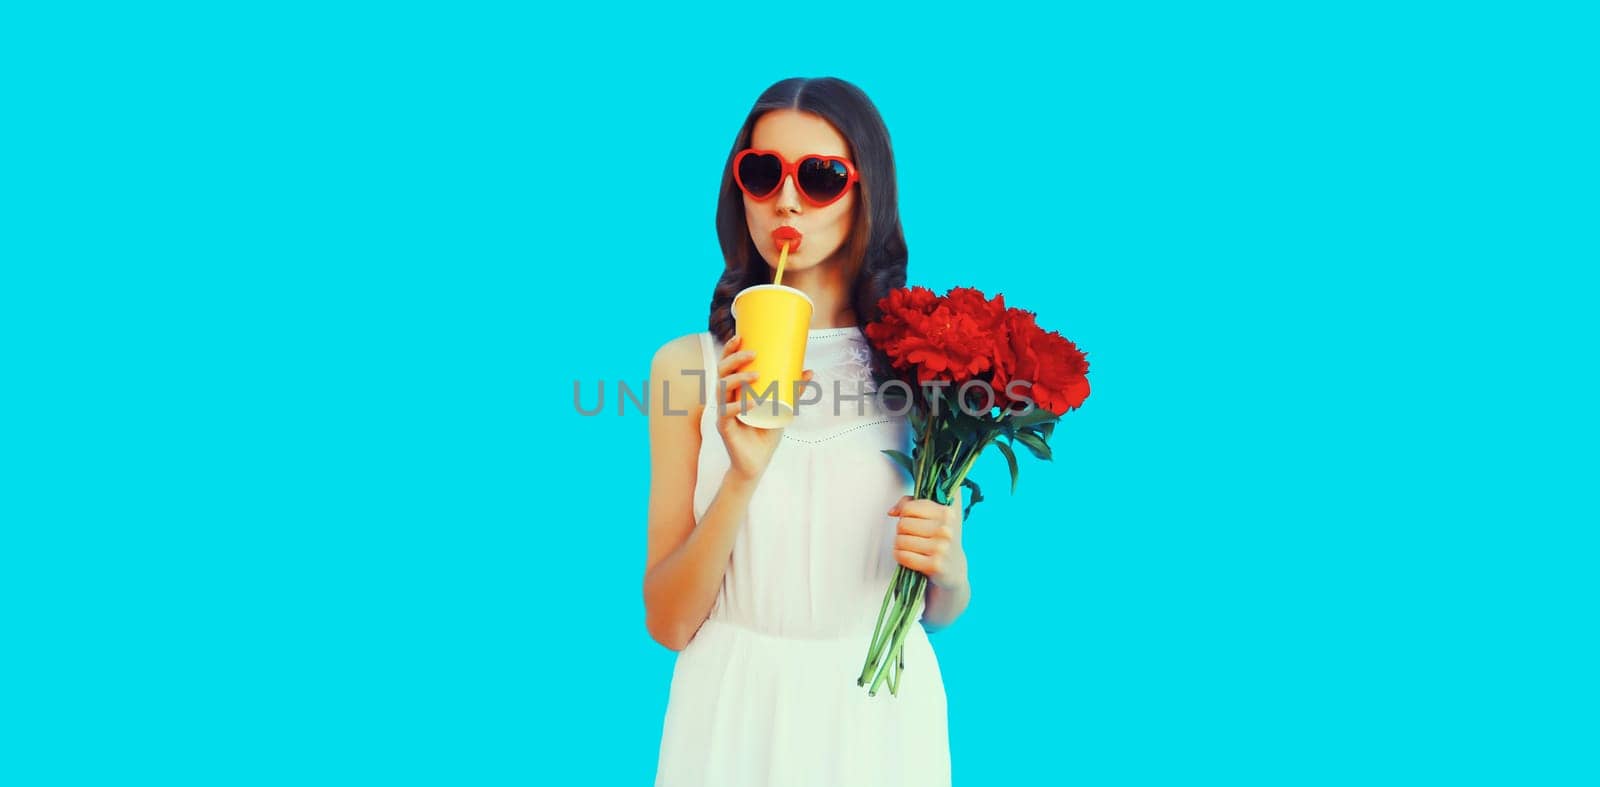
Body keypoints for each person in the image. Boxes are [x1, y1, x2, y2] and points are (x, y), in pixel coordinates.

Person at [644, 77, 970, 787]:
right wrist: (741, 478)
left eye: (820, 177)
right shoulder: (686, 370)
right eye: (762, 174)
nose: (786, 200)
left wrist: (951, 569)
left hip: (877, 715)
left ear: (866, 193)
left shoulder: (924, 368)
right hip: (731, 714)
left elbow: (935, 612)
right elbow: (668, 621)